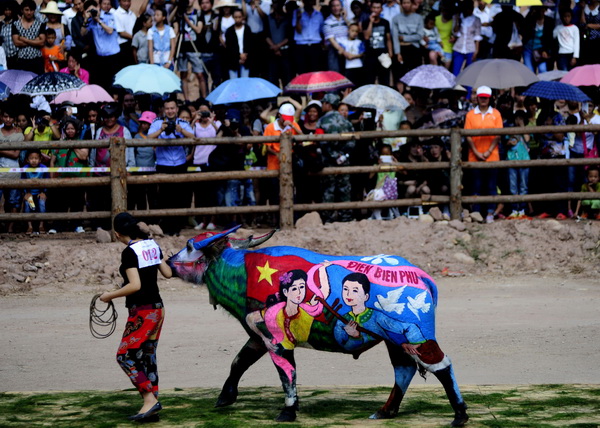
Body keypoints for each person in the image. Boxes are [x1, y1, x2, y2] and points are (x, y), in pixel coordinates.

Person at [99, 212, 172, 423]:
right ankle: (152, 405)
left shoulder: (129, 252)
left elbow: (135, 285)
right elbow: (167, 274)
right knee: (148, 356)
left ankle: (149, 399)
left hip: (143, 311)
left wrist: (109, 295)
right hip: (158, 308)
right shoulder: (152, 245)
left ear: (116, 233)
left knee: (125, 356)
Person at [333, 272, 425, 353]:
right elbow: (343, 347)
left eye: (355, 290)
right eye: (345, 289)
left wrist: (416, 342)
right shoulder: (342, 321)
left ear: (366, 296)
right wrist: (355, 337)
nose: (348, 294)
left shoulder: (377, 317)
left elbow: (408, 326)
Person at [147, 96, 195, 235]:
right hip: (163, 164)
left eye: (172, 108)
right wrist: (161, 130)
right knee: (164, 197)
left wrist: (181, 131)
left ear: (177, 109)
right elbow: (149, 138)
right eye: (167, 108)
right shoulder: (157, 123)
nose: (170, 111)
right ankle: (166, 228)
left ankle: (177, 228)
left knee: (179, 198)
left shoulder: (182, 123)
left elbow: (193, 137)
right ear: (163, 110)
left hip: (180, 164)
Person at [463, 85, 503, 223]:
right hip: (475, 156)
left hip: (492, 155)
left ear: (490, 98)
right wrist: (476, 152)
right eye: (481, 98)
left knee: (491, 185)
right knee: (476, 185)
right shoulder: (470, 115)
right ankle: (476, 213)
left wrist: (488, 151)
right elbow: (467, 136)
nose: (484, 100)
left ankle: (490, 213)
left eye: (486, 98)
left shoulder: (496, 114)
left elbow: (498, 134)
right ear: (477, 98)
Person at [317, 93, 355, 223]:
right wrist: (343, 156)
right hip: (344, 160)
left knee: (328, 189)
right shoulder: (346, 121)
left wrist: (333, 156)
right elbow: (352, 141)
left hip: (328, 161)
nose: (322, 105)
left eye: (323, 103)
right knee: (344, 189)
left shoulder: (322, 121)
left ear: (328, 104)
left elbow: (321, 142)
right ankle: (346, 217)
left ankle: (327, 218)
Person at [81, 0, 120, 89]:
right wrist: (86, 19)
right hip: (100, 58)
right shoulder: (91, 20)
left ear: (98, 7)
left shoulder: (109, 16)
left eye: (94, 9)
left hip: (113, 56)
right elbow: (82, 33)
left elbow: (110, 31)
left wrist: (98, 20)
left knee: (114, 83)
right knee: (102, 83)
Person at [0, 108, 24, 233]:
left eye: (10, 117)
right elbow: (13, 152)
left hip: (13, 172)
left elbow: (16, 155)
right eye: (5, 116)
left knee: (13, 201)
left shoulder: (19, 134)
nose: (7, 119)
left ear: (14, 119)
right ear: (1, 117)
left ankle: (10, 228)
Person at [129, 111, 158, 213]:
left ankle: (154, 217)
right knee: (140, 195)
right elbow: (133, 152)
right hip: (138, 170)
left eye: (147, 123)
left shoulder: (157, 137)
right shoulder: (137, 137)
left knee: (152, 195)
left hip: (152, 170)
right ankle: (142, 217)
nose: (144, 125)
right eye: (143, 123)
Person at [505, 110, 531, 219]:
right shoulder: (510, 129)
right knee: (513, 186)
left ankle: (522, 209)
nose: (518, 120)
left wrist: (522, 126)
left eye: (521, 118)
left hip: (524, 160)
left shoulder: (527, 130)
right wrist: (510, 142)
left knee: (523, 186)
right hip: (512, 160)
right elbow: (506, 142)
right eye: (517, 118)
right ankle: (514, 209)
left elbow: (527, 139)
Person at [360, 0, 393, 85]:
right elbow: (366, 37)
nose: (375, 10)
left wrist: (390, 53)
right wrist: (371, 22)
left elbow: (388, 38)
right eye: (374, 7)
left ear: (381, 9)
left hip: (383, 55)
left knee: (384, 81)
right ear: (370, 9)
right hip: (370, 56)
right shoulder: (365, 22)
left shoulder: (385, 22)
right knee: (369, 81)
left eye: (378, 8)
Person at [391, 0, 424, 79]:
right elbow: (395, 37)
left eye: (408, 3)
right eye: (404, 3)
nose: (406, 5)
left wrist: (404, 38)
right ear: (401, 4)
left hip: (414, 48)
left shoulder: (418, 18)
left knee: (415, 74)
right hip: (401, 49)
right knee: (400, 75)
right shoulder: (396, 18)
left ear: (412, 4)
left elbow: (419, 36)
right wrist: (398, 53)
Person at [11, 0, 46, 74]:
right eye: (27, 10)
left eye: (31, 10)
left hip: (36, 59)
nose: (29, 12)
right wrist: (35, 41)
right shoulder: (15, 24)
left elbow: (42, 42)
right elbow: (16, 42)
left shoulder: (40, 24)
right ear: (22, 10)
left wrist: (24, 39)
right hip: (22, 59)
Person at [21, 149, 49, 235]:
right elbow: (22, 181)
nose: (34, 160)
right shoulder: (25, 169)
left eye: (36, 158)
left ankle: (41, 225)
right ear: (27, 160)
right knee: (28, 204)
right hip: (29, 193)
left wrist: (44, 192)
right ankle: (30, 226)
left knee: (41, 203)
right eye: (31, 158)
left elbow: (47, 181)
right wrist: (26, 192)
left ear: (40, 159)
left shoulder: (44, 168)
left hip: (40, 193)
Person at [292, 0, 324, 74]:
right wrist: (298, 18)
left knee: (315, 72)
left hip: (315, 45)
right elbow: (298, 30)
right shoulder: (297, 12)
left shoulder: (319, 14)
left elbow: (321, 31)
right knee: (302, 72)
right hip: (301, 46)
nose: (309, 3)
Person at [451, 0, 481, 76]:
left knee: (469, 72)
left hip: (470, 48)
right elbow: (455, 32)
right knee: (456, 72)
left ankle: (468, 88)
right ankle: (455, 87)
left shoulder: (477, 19)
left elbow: (477, 37)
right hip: (458, 47)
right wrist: (458, 21)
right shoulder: (456, 17)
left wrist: (476, 50)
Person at [224, 8, 253, 78]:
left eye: (239, 17)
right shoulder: (229, 31)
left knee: (245, 81)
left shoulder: (247, 29)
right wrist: (238, 56)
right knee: (233, 82)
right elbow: (229, 47)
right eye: (236, 17)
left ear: (243, 17)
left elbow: (250, 44)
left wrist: (245, 55)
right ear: (233, 17)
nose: (238, 19)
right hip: (233, 60)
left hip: (246, 59)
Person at [323, 0, 349, 73]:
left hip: (347, 48)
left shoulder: (345, 20)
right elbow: (332, 41)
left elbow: (352, 30)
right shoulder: (327, 22)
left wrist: (345, 19)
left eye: (338, 5)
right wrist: (344, 52)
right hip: (335, 50)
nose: (336, 8)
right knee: (335, 73)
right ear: (330, 8)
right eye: (333, 6)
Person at [114, 0, 137, 70]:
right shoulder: (116, 14)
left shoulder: (132, 13)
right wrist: (135, 38)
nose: (127, 3)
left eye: (128, 1)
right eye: (124, 1)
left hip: (133, 43)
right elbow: (121, 32)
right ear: (119, 2)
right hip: (123, 46)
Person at [1, 0, 19, 69]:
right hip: (5, 57)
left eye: (9, 10)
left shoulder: (16, 23)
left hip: (16, 56)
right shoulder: (1, 24)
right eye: (6, 10)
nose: (7, 12)